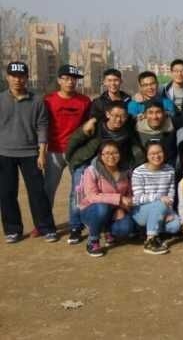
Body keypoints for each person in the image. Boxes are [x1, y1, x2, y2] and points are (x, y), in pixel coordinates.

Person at [65, 101, 142, 244]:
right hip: (87, 162)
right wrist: (71, 159)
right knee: (77, 194)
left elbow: (135, 147)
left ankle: (107, 226)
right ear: (107, 115)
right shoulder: (96, 126)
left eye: (122, 116)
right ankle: (75, 227)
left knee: (109, 193)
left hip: (111, 164)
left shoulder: (127, 129)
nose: (118, 119)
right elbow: (75, 140)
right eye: (115, 115)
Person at [0, 62, 58, 243]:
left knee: (38, 193)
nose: (17, 80)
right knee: (7, 193)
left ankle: (46, 228)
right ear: (7, 77)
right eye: (13, 76)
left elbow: (42, 126)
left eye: (21, 76)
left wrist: (42, 153)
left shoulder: (37, 100)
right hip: (4, 153)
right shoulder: (1, 99)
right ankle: (13, 230)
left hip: (31, 154)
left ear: (26, 78)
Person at [43, 65, 91, 235]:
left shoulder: (85, 101)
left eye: (73, 79)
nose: (70, 82)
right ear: (59, 80)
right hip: (54, 151)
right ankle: (44, 224)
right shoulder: (48, 101)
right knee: (48, 189)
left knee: (78, 190)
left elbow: (88, 126)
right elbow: (41, 126)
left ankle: (76, 224)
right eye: (66, 78)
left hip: (76, 152)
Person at [77, 141, 133, 257]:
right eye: (107, 153)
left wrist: (122, 207)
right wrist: (119, 199)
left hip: (115, 210)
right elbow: (92, 196)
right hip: (92, 210)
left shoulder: (127, 171)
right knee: (102, 207)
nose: (111, 156)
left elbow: (130, 194)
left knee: (126, 228)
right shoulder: (91, 171)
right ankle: (93, 240)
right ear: (100, 155)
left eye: (115, 153)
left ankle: (107, 230)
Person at [128, 142, 181, 255]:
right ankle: (150, 240)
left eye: (159, 152)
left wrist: (168, 211)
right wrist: (159, 198)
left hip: (162, 208)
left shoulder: (170, 170)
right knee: (159, 204)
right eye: (152, 153)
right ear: (146, 155)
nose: (156, 156)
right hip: (141, 211)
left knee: (175, 225)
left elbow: (171, 195)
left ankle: (150, 228)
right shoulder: (138, 172)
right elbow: (138, 198)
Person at [135, 100, 177, 165]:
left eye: (158, 112)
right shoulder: (136, 128)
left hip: (168, 166)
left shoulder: (173, 125)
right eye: (150, 113)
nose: (154, 117)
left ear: (164, 113)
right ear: (145, 115)